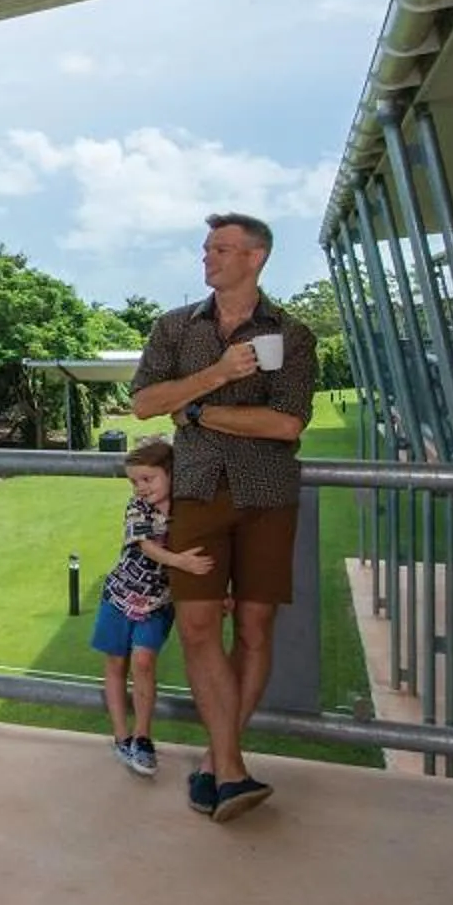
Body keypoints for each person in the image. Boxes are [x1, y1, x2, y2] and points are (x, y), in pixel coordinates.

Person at [124, 214, 316, 823]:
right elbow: (144, 404)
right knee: (201, 627)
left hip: (267, 493)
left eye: (222, 248)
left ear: (255, 258)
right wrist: (220, 375)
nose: (207, 257)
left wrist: (199, 413)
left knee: (255, 630)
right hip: (200, 492)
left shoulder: (293, 334)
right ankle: (230, 770)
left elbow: (286, 424)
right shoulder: (175, 328)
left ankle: (217, 761)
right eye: (207, 248)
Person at [90, 436, 210, 776]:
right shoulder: (137, 507)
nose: (140, 487)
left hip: (158, 604)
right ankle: (121, 736)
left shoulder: (187, 509)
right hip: (119, 596)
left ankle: (142, 737)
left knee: (143, 661)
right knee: (115, 662)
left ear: (171, 474)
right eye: (134, 481)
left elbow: (205, 552)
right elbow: (145, 546)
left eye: (148, 479)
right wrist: (180, 562)